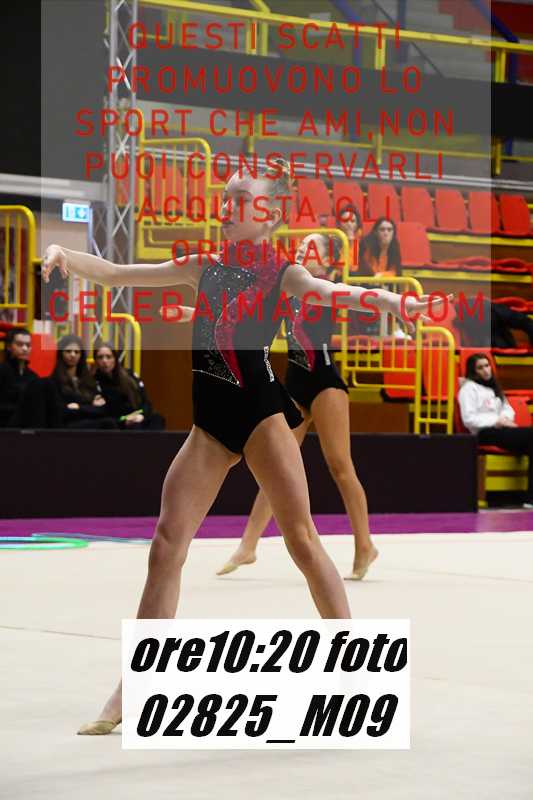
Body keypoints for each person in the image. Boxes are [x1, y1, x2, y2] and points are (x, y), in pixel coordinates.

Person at [42, 158, 446, 734]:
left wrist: (388, 302)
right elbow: (113, 272)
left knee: (301, 540)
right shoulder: (201, 265)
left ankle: (355, 669)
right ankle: (134, 684)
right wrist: (64, 254)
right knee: (166, 546)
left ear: (270, 214)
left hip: (260, 416)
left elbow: (332, 291)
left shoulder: (283, 273)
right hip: (210, 426)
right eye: (226, 197)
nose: (226, 207)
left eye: (240, 200)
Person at [217, 232, 377, 581]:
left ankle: (365, 544)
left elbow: (361, 300)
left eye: (311, 247)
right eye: (301, 246)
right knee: (277, 466)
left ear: (328, 260)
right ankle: (248, 545)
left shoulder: (326, 287)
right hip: (295, 384)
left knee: (340, 465)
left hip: (324, 383)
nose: (303, 250)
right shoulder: (287, 286)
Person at [458, 353, 533, 508]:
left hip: (501, 429)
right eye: (480, 368)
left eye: (487, 366)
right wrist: (496, 421)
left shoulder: (494, 387)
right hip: (484, 432)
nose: (485, 370)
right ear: (473, 371)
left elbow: (508, 409)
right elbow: (469, 419)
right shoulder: (468, 389)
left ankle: (529, 498)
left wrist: (504, 419)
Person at [50, 335, 118, 429]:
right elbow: (62, 412)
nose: (73, 355)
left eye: (77, 352)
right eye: (68, 351)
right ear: (61, 354)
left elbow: (103, 409)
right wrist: (90, 407)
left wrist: (78, 407)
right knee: (108, 424)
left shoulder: (89, 380)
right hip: (68, 427)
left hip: (91, 423)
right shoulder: (54, 381)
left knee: (110, 422)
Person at [94, 342, 165, 430]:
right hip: (119, 420)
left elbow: (146, 402)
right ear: (96, 360)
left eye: (108, 357)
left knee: (157, 418)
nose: (104, 361)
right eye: (100, 357)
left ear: (115, 359)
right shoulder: (94, 381)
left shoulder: (129, 375)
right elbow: (106, 411)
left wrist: (141, 415)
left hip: (137, 414)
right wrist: (125, 420)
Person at [0, 328, 38, 426]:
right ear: (9, 346)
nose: (25, 349)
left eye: (28, 345)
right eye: (19, 344)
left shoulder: (33, 376)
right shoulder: (2, 370)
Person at [334, 203, 363, 274]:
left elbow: (354, 268)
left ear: (357, 225)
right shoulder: (333, 242)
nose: (349, 224)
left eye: (352, 221)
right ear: (339, 224)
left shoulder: (363, 243)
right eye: (345, 221)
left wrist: (351, 242)